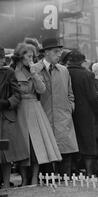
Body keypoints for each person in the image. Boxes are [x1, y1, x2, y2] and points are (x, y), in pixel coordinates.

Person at [12, 43, 62, 186]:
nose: (31, 59)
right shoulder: (13, 72)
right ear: (21, 57)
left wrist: (34, 74)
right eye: (28, 56)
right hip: (20, 110)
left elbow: (41, 90)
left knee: (37, 147)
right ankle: (24, 178)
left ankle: (34, 177)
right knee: (23, 146)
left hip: (35, 109)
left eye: (33, 56)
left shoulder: (35, 71)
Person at [33, 38, 78, 177]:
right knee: (45, 152)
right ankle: (48, 182)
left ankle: (65, 184)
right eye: (56, 52)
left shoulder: (64, 70)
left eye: (60, 52)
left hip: (63, 117)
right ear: (46, 52)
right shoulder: (35, 69)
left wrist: (69, 108)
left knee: (66, 151)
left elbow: (70, 94)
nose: (59, 55)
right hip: (44, 117)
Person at [67, 50, 98, 176]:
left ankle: (72, 170)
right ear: (82, 61)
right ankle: (88, 172)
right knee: (87, 142)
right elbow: (93, 97)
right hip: (86, 112)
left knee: (72, 140)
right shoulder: (87, 75)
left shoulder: (64, 72)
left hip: (68, 111)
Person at [0, 46, 29, 188]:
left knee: (6, 154)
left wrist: (6, 103)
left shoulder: (9, 73)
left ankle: (5, 183)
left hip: (5, 117)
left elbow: (18, 95)